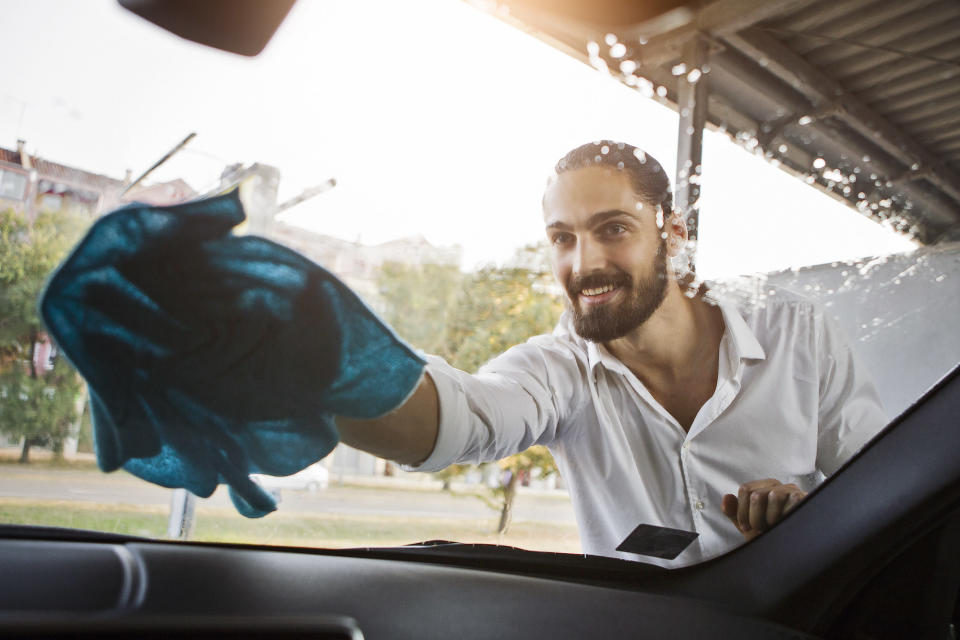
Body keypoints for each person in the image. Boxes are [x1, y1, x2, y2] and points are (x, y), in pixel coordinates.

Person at [336, 140, 887, 567]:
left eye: (614, 229)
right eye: (562, 239)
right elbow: (460, 418)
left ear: (672, 233)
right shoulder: (557, 369)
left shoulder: (798, 333)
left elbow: (885, 493)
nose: (584, 264)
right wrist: (306, 373)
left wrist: (809, 521)